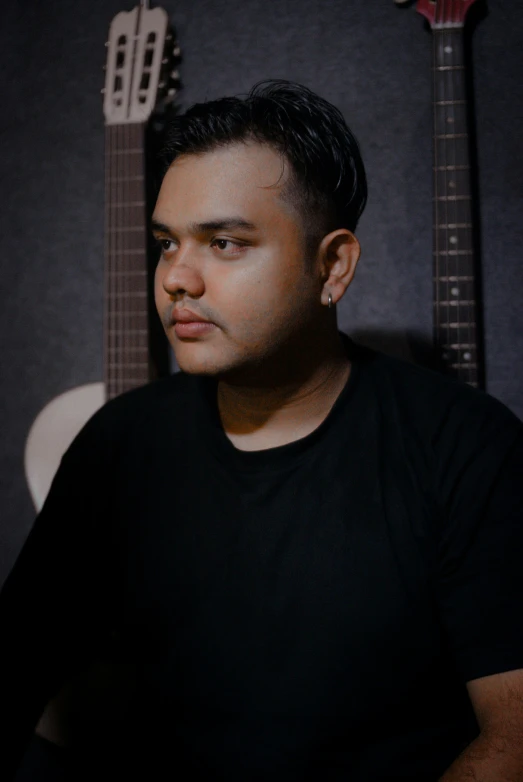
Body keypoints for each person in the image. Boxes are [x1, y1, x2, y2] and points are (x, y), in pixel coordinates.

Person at [2, 80, 523, 782]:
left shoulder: (465, 446)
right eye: (165, 244)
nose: (176, 278)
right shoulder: (117, 443)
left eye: (223, 242)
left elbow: (512, 737)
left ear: (331, 264)